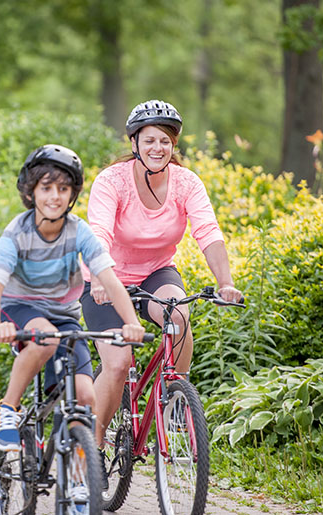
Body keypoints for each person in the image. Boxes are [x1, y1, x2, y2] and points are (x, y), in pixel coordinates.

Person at [80, 100, 243, 460]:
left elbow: (209, 232)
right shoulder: (112, 181)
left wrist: (225, 282)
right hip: (106, 279)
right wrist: (100, 280)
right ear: (135, 143)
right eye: (150, 140)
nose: (158, 148)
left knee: (179, 317)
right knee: (119, 362)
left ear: (174, 145)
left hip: (155, 273)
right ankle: (96, 440)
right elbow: (99, 233)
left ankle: (173, 402)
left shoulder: (186, 183)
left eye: (166, 141)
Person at [0, 144, 144, 452]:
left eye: (63, 188)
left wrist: (131, 323)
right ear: (31, 192)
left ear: (72, 194)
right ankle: (7, 408)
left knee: (85, 399)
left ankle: (79, 484)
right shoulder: (18, 231)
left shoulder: (78, 230)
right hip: (19, 307)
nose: (54, 196)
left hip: (64, 316)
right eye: (46, 188)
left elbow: (109, 280)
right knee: (45, 336)